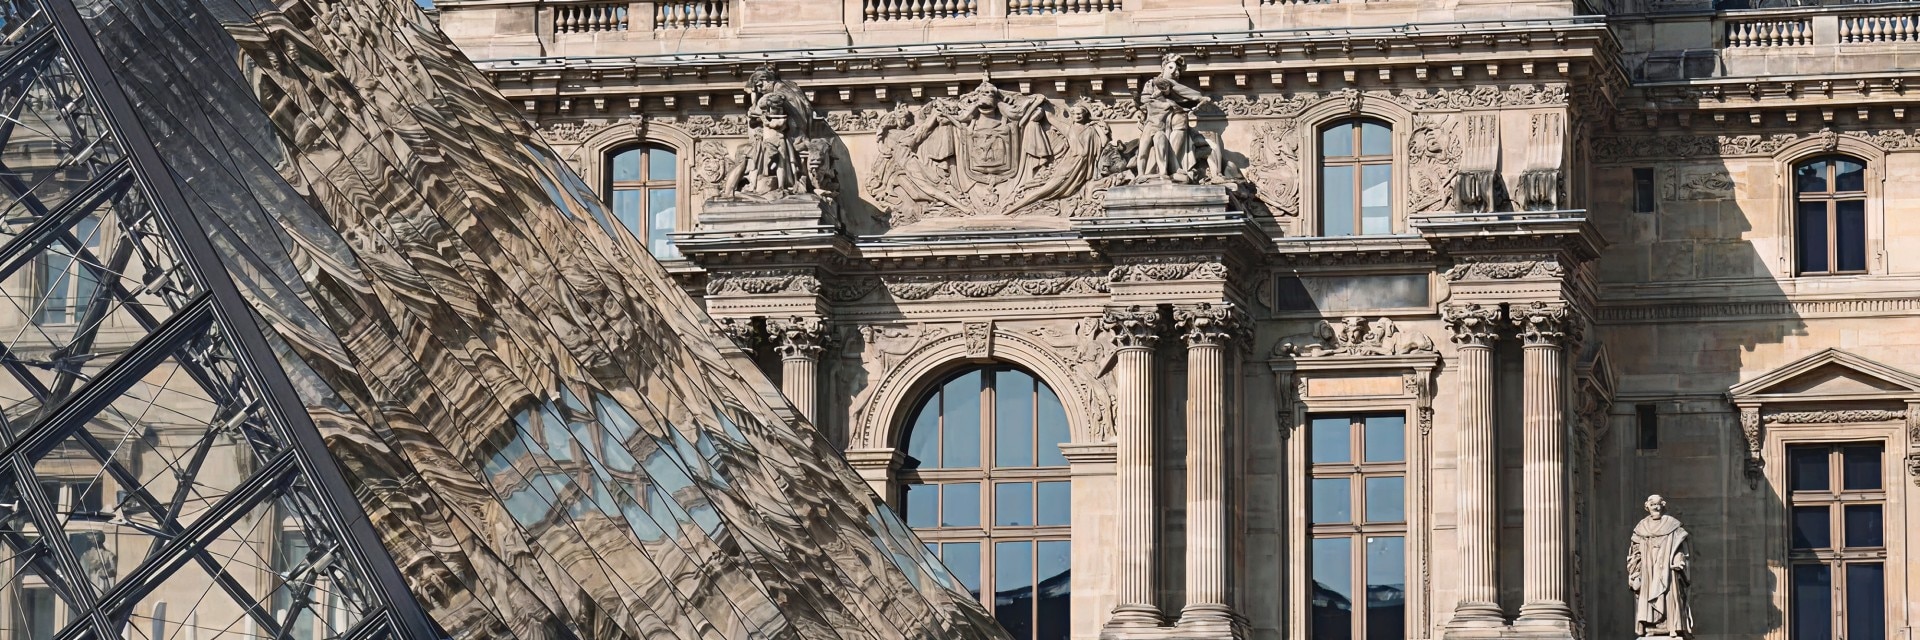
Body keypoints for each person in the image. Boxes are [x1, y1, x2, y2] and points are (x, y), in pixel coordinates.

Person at [1627, 494, 1694, 638]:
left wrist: (1678, 559)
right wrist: (1635, 570)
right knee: (1648, 595)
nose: (1656, 507)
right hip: (1648, 569)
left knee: (1669, 594)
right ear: (1647, 507)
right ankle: (1651, 626)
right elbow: (1635, 552)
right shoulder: (1641, 527)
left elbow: (1679, 548)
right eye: (1652, 505)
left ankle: (1670, 625)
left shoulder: (1672, 524)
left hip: (1667, 569)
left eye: (1658, 504)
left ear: (1663, 505)